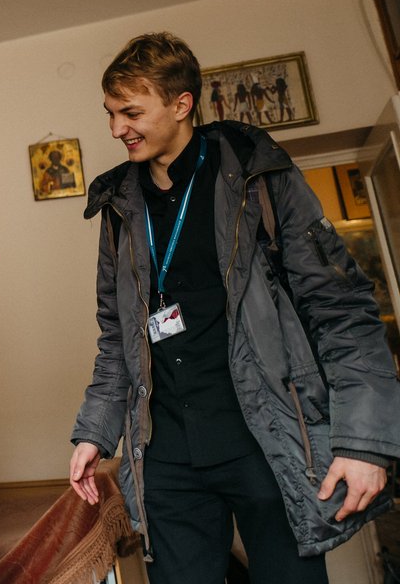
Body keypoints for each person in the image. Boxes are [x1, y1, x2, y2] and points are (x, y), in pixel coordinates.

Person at [67, 32, 400, 583]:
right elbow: (117, 338)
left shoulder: (258, 174)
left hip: (267, 439)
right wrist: (94, 432)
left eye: (131, 112)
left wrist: (364, 444)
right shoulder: (118, 206)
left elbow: (340, 310)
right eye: (110, 113)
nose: (116, 129)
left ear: (181, 104)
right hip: (167, 456)